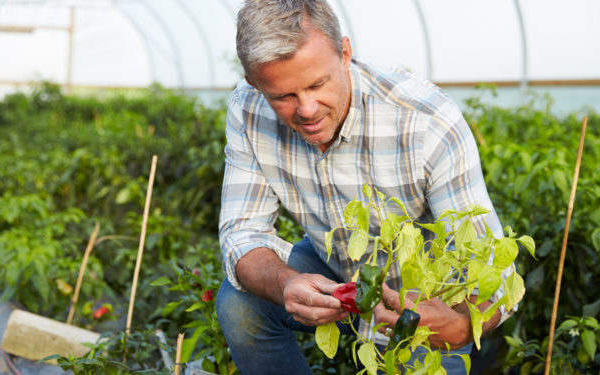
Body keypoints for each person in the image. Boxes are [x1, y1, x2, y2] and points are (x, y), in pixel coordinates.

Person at [216, 1, 514, 373]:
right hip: (334, 268)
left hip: (423, 302)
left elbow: (492, 268)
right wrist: (285, 284)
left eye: (317, 84)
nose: (307, 109)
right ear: (254, 83)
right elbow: (242, 230)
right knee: (239, 304)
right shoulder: (248, 111)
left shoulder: (425, 122)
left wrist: (460, 326)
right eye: (283, 96)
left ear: (344, 54)